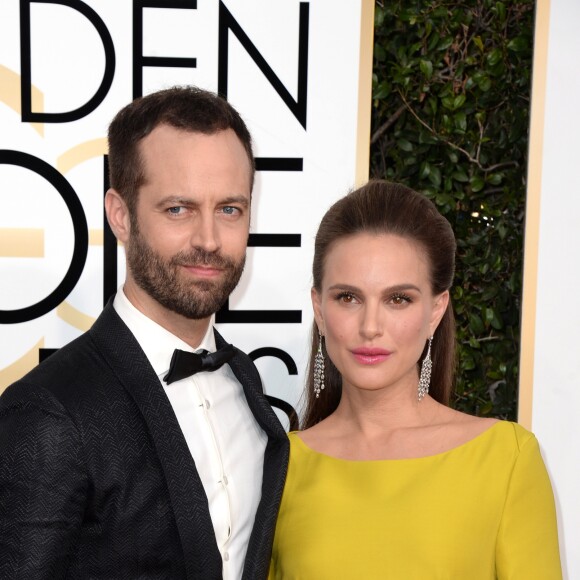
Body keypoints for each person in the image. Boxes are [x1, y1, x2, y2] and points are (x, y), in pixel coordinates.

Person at [0, 86, 288, 580]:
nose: (208, 240)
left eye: (230, 209)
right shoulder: (49, 412)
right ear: (121, 215)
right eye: (178, 209)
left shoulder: (245, 382)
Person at [268, 180, 562, 579]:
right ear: (319, 307)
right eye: (348, 298)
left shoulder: (505, 460)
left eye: (398, 299)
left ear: (436, 311)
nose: (370, 326)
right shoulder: (279, 467)